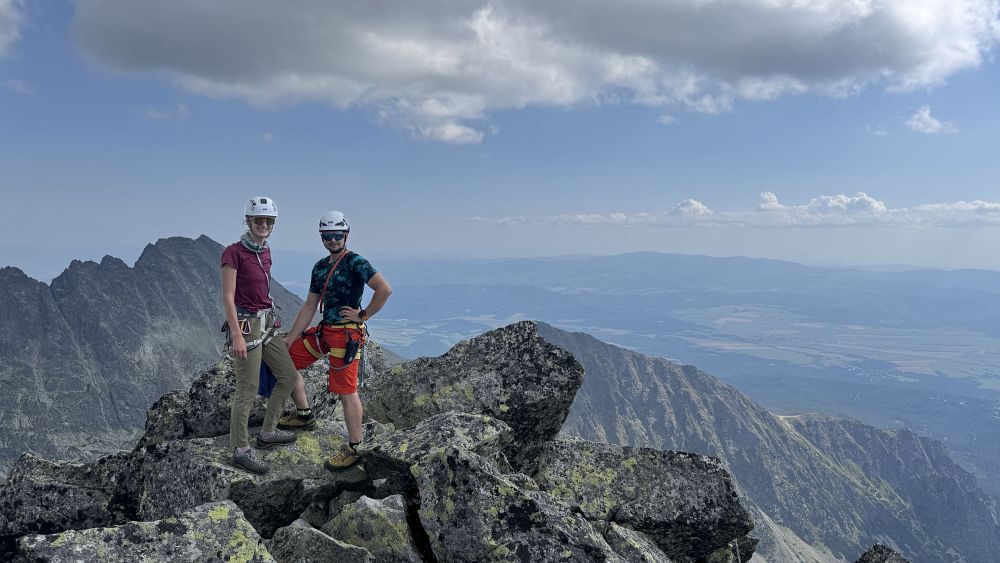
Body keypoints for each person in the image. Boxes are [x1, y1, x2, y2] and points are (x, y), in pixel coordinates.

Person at [284, 210, 392, 470]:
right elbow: (310, 306)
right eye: (327, 235)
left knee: (346, 391)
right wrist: (290, 338)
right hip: (326, 331)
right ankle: (304, 415)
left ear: (346, 234)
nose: (332, 240)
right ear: (321, 236)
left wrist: (363, 314)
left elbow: (384, 289)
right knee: (285, 361)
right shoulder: (320, 267)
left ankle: (355, 447)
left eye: (337, 235)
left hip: (346, 335)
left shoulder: (355, 262)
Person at [221, 196, 300, 475]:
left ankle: (267, 433)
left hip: (266, 322)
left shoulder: (265, 251)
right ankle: (240, 450)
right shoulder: (233, 253)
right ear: (248, 221)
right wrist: (236, 335)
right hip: (247, 324)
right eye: (259, 220)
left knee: (288, 376)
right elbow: (228, 297)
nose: (264, 224)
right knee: (247, 389)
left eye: (269, 220)